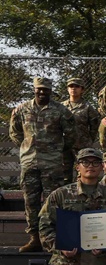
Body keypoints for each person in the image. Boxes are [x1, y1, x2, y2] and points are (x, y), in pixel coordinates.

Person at [11, 77, 78, 253]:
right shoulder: (22, 109)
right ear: (34, 90)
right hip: (29, 162)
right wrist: (27, 146)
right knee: (30, 201)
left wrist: (56, 149)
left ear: (50, 91)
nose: (42, 92)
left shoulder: (61, 111)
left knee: (53, 200)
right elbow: (15, 132)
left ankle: (52, 238)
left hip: (52, 164)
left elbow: (71, 135)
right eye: (39, 89)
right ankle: (34, 238)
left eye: (45, 90)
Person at [63, 78, 102, 161]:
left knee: (83, 169)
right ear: (67, 89)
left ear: (82, 90)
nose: (73, 88)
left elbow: (94, 127)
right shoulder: (62, 107)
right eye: (71, 86)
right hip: (65, 145)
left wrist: (87, 140)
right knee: (65, 171)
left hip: (82, 146)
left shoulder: (87, 107)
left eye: (77, 86)